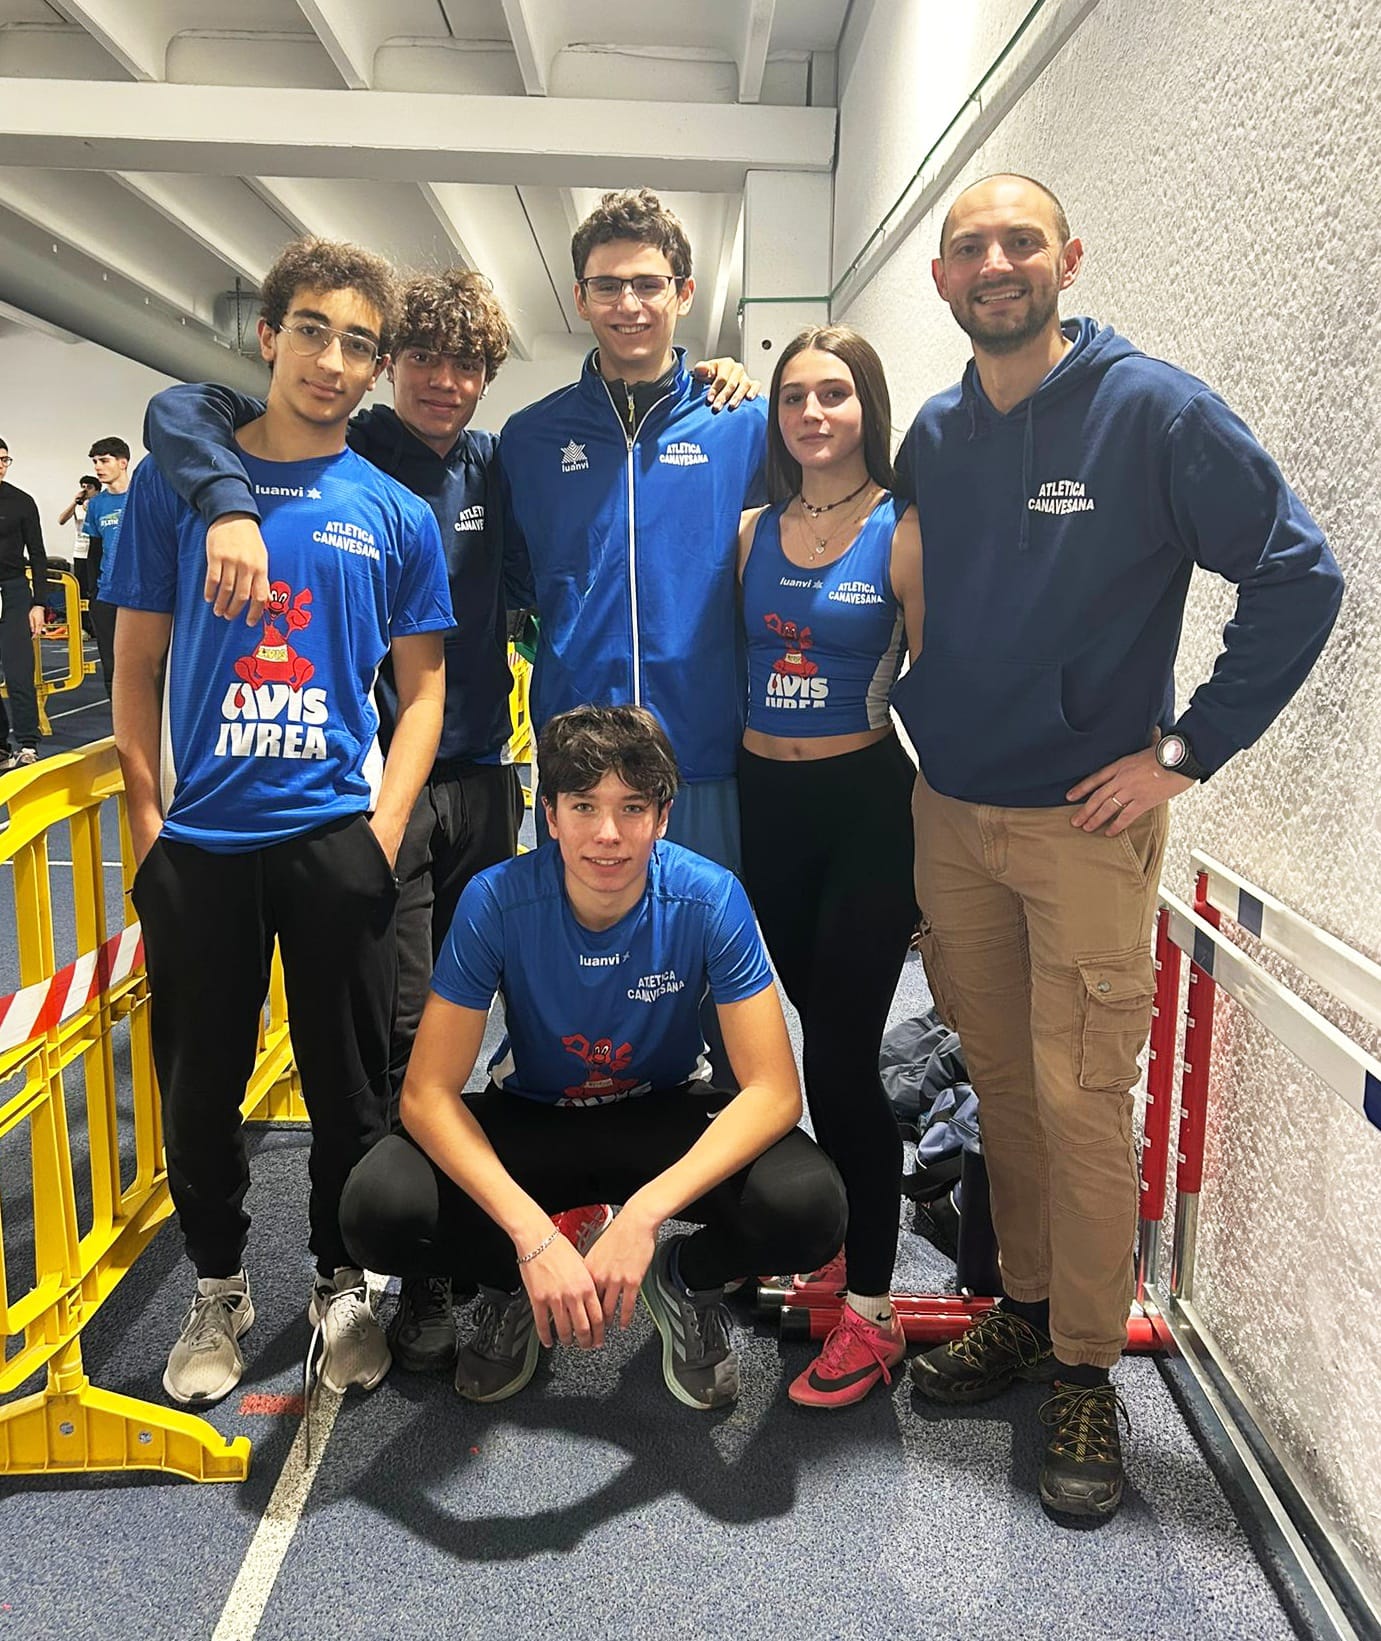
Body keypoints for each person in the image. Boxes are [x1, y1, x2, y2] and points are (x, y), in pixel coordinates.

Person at [139, 267, 755, 1372]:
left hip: (480, 777)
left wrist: (716, 375)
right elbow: (184, 409)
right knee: (394, 1031)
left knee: (469, 1014)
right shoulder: (348, 445)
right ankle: (398, 1270)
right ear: (385, 367)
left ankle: (468, 1245)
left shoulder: (492, 461)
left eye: (466, 364)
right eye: (421, 357)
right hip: (368, 792)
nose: (444, 380)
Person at [893, 174, 1344, 1516]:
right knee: (1002, 1088)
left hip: (1083, 827)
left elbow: (1298, 574)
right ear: (940, 277)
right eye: (969, 246)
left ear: (1068, 259)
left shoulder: (1153, 413)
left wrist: (1185, 752)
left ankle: (1088, 1368)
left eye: (1019, 241)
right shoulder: (934, 432)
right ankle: (1028, 1312)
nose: (995, 262)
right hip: (950, 814)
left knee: (1083, 1099)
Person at [107, 235, 453, 1409]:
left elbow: (424, 692)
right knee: (199, 1088)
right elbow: (135, 666)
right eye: (312, 330)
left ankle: (338, 1281)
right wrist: (148, 826)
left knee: (347, 1088)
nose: (333, 360)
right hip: (202, 846)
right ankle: (217, 1285)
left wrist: (383, 829)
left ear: (377, 366)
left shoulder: (395, 512)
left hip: (332, 840)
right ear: (267, 335)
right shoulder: (175, 490)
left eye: (359, 343)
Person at [340, 703, 846, 1411]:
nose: (608, 833)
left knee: (811, 1208)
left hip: (662, 1111)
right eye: (584, 806)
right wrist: (531, 1239)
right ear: (548, 815)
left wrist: (642, 1219)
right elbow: (426, 1094)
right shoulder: (496, 901)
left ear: (662, 816)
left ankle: (683, 1278)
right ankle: (515, 1285)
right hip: (537, 1116)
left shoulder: (710, 897)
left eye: (632, 807)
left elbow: (773, 1092)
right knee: (377, 1207)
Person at [735, 325, 924, 1408]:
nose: (813, 413)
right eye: (794, 395)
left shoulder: (903, 528)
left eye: (835, 394)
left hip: (864, 813)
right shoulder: (750, 531)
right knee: (816, 1038)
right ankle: (851, 1246)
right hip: (767, 811)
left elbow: (936, 686)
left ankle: (874, 1311)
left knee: (844, 1057)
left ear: (867, 408)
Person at [499, 188, 769, 872]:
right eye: (607, 286)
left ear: (684, 293)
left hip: (703, 757)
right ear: (580, 298)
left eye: (649, 284)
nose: (629, 304)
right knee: (575, 940)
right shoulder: (529, 439)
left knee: (702, 936)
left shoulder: (742, 426)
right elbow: (517, 586)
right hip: (577, 765)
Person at [0, 436, 50, 771]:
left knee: (19, 673)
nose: (1, 465)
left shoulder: (21, 501)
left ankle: (28, 743)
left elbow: (38, 554)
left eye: (5, 459)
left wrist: (39, 603)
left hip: (15, 592)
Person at [81, 437, 133, 694]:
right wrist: (93, 592)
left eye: (104, 461)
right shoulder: (97, 505)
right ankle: (116, 711)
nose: (98, 467)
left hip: (141, 592)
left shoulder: (143, 496)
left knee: (145, 660)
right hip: (107, 593)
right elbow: (93, 550)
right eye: (95, 462)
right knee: (111, 662)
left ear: (123, 463)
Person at [57, 474, 101, 633]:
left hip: (96, 552)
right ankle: (83, 626)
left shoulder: (100, 505)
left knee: (94, 588)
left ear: (97, 490)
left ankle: (96, 625)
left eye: (89, 487)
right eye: (83, 487)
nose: (85, 490)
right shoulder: (78, 506)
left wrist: (90, 507)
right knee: (80, 589)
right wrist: (74, 502)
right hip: (80, 552)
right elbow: (61, 520)